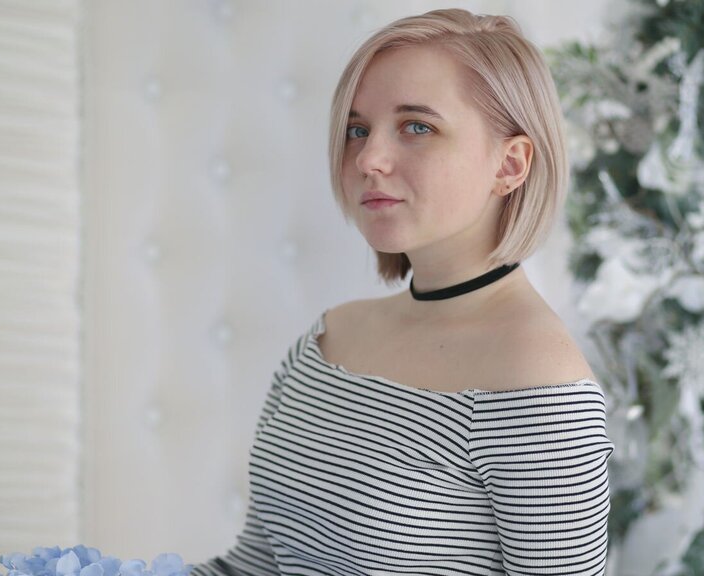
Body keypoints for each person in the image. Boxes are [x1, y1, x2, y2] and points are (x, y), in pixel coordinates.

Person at [192, 8, 614, 575]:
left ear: (509, 164)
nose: (369, 159)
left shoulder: (537, 381)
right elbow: (254, 568)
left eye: (417, 127)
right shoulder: (328, 340)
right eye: (357, 130)